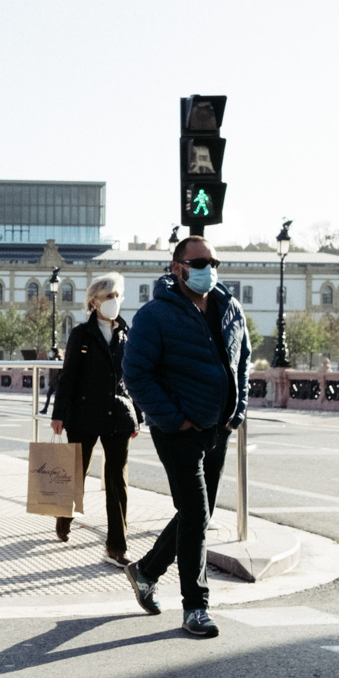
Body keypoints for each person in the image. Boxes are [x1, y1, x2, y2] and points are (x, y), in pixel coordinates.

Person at [122, 236, 250, 639]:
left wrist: (237, 412)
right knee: (196, 514)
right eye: (198, 262)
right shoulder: (155, 315)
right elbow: (136, 375)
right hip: (178, 432)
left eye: (213, 260)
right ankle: (196, 606)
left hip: (219, 427)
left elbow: (242, 361)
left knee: (200, 512)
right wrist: (175, 420)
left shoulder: (230, 307)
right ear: (177, 267)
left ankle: (146, 571)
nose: (207, 268)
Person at [49, 272, 142, 564]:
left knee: (117, 481)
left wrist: (135, 415)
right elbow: (69, 377)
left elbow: (133, 378)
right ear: (94, 302)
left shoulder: (126, 333)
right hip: (84, 413)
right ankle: (65, 515)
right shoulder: (81, 334)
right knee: (76, 473)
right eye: (109, 296)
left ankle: (117, 546)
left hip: (118, 414)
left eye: (118, 296)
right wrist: (59, 414)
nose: (115, 301)